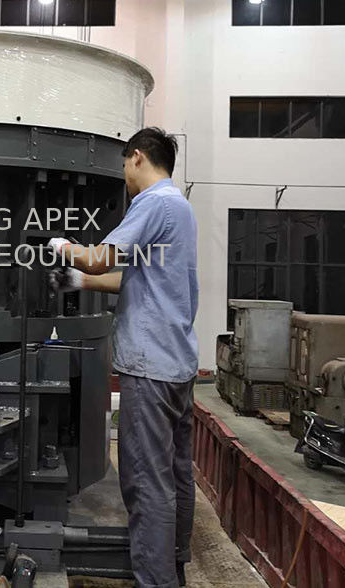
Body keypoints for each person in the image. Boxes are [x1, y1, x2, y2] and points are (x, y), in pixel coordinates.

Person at [48, 126, 198, 588]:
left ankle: (155, 580)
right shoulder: (180, 207)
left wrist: (61, 247)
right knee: (175, 474)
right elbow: (139, 277)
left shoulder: (153, 203)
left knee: (146, 482)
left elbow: (100, 257)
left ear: (136, 157)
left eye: (124, 167)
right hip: (176, 364)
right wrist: (82, 282)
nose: (124, 178)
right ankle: (173, 565)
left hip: (149, 369)